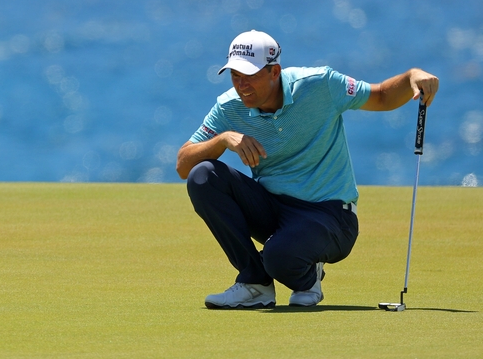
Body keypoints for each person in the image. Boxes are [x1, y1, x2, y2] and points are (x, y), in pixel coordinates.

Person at [176, 30, 439, 308]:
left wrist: (413, 75)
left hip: (331, 214)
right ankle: (255, 283)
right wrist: (223, 139)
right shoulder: (229, 107)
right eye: (235, 75)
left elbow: (382, 97)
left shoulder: (320, 84)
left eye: (250, 75)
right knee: (203, 176)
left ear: (274, 71)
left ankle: (307, 275)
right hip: (273, 210)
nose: (242, 85)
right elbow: (184, 165)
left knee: (278, 258)